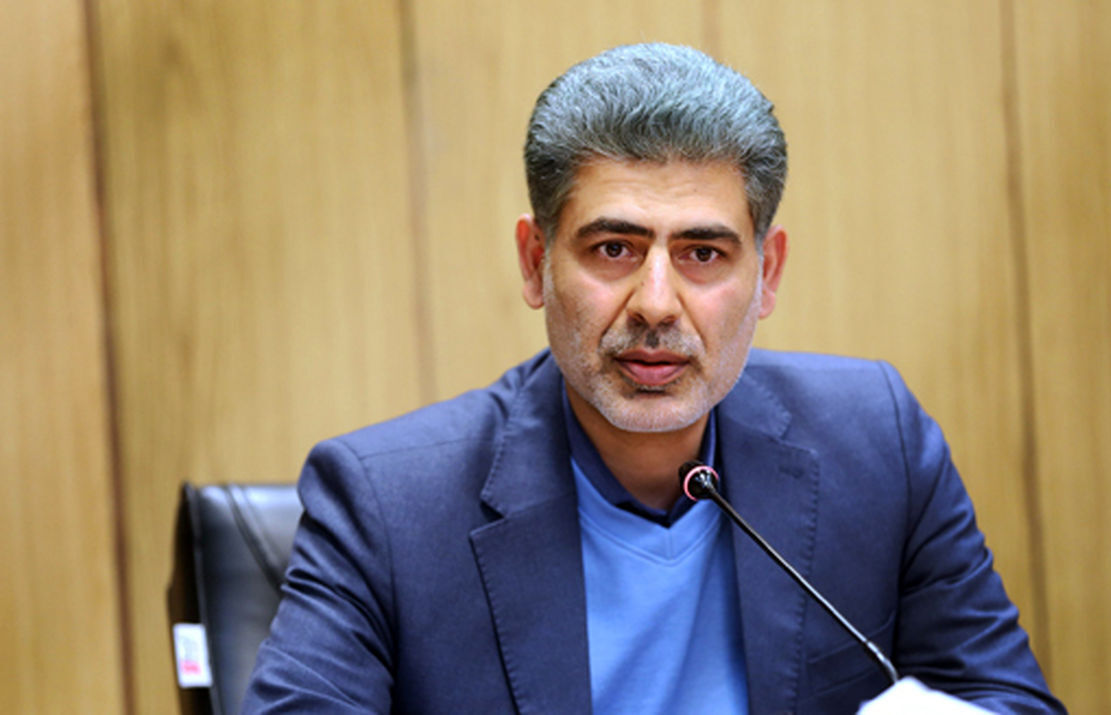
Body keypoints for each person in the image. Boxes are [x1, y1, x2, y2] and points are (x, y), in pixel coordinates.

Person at [243, 43, 1064, 713]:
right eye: (614, 249)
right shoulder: (388, 506)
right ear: (535, 262)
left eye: (703, 253)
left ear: (768, 274)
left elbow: (1003, 697)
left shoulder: (877, 444)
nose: (657, 303)